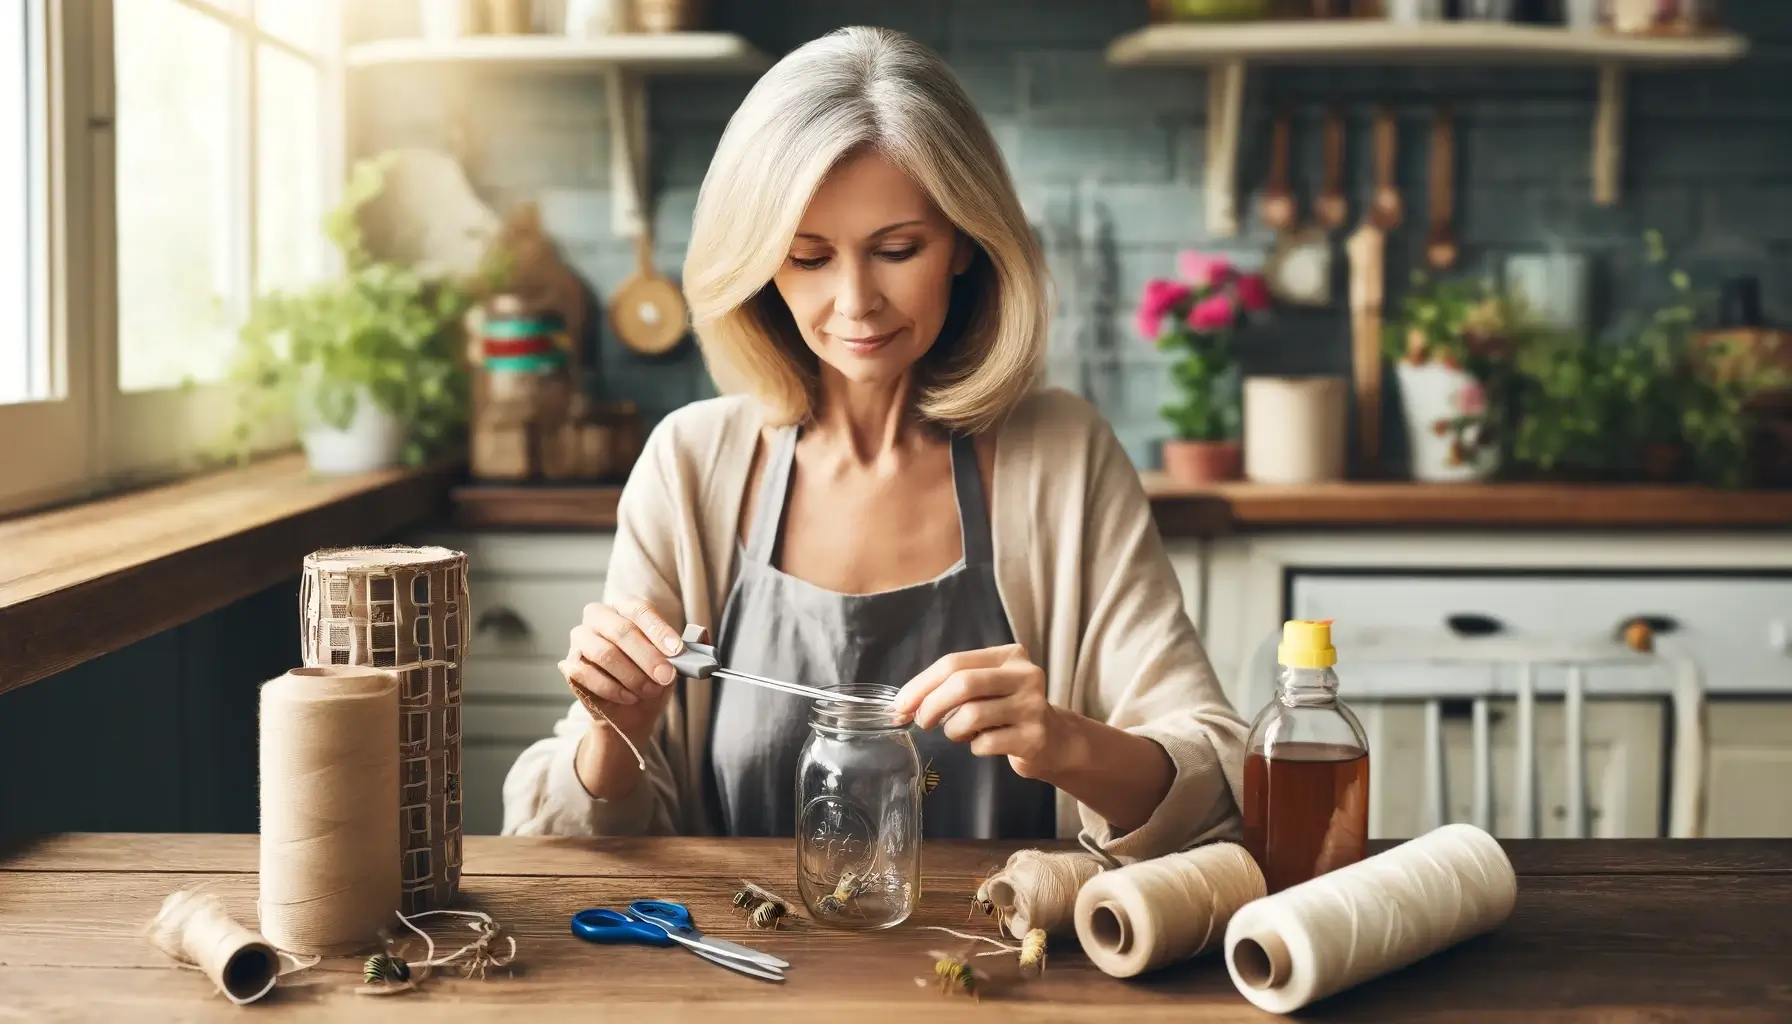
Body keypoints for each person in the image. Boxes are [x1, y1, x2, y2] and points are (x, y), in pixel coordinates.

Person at [502, 26, 1248, 860]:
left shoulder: (1062, 456)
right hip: (741, 974)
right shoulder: (689, 467)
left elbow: (1220, 782)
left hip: (1012, 974)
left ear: (966, 241)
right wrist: (616, 731)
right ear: (759, 267)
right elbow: (568, 841)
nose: (855, 302)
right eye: (808, 258)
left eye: (897, 250)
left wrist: (1065, 743)